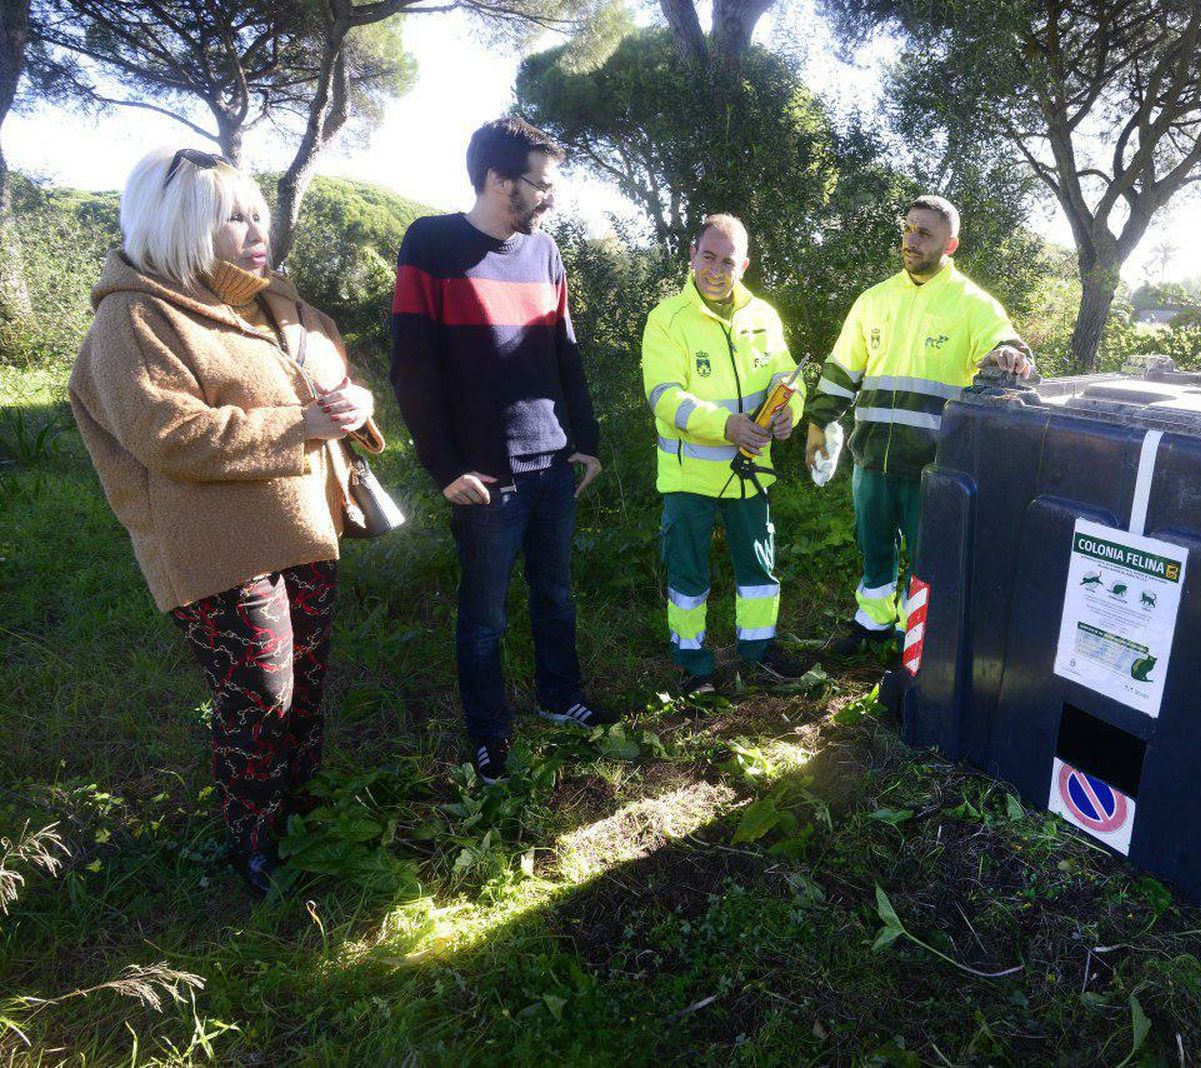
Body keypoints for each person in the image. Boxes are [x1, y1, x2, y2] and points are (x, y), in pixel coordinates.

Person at [69, 147, 382, 896]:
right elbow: (168, 434)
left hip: (306, 526)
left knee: (305, 684)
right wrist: (301, 422)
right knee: (260, 696)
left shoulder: (280, 303)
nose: (255, 230)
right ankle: (253, 844)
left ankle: (303, 814)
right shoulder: (133, 316)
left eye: (257, 214)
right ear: (181, 226)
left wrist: (356, 407)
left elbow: (335, 380)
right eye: (232, 217)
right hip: (212, 548)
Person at [390, 117, 616, 784]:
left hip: (553, 465)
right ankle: (489, 739)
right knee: (483, 618)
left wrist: (587, 441)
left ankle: (559, 698)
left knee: (557, 596)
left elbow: (565, 353)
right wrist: (443, 466)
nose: (549, 198)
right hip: (486, 478)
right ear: (497, 179)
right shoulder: (430, 244)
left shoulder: (545, 253)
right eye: (540, 185)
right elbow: (411, 369)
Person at [805, 195, 1033, 655]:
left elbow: (1011, 349)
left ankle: (918, 646)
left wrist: (1009, 354)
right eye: (908, 228)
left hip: (934, 461)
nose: (911, 240)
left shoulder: (973, 303)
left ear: (950, 245)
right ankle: (871, 625)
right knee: (873, 549)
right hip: (870, 455)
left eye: (924, 233)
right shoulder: (874, 299)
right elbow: (842, 368)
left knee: (926, 560)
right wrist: (817, 423)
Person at [640, 215, 812, 694]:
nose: (717, 269)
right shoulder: (666, 319)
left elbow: (786, 379)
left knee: (758, 566)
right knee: (688, 573)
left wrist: (789, 414)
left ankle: (759, 651)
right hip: (689, 476)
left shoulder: (764, 316)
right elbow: (665, 397)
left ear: (745, 265)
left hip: (750, 472)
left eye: (728, 261)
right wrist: (726, 426)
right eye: (708, 257)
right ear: (692, 255)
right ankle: (693, 667)